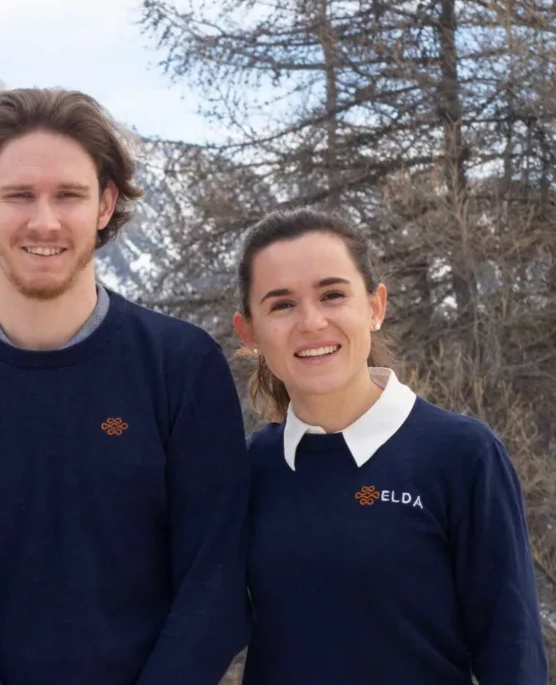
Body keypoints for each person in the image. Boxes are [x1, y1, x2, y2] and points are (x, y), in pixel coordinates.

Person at [0, 87, 251, 685]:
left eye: (68, 195)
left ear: (104, 204)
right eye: (19, 195)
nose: (43, 220)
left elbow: (216, 584)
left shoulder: (182, 367)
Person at [233, 208, 548, 684]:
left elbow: (513, 656)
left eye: (333, 294)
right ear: (249, 333)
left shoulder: (462, 455)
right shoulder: (249, 467)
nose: (311, 321)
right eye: (281, 304)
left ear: (375, 306)